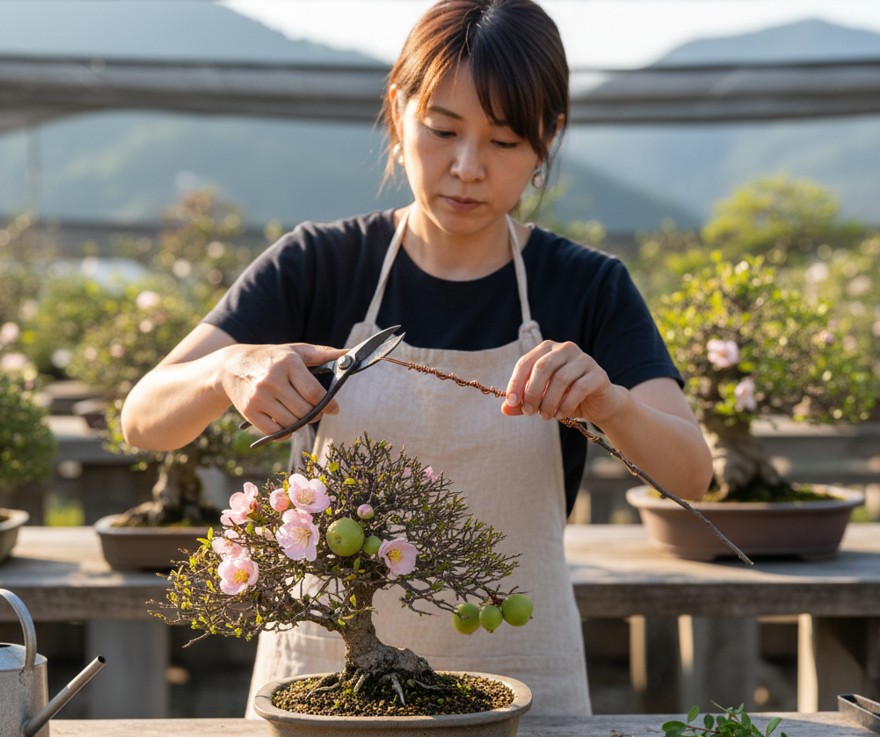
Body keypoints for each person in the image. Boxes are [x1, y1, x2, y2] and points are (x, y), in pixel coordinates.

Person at [121, 0, 713, 718]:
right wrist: (228, 367)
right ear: (397, 111)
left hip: (523, 682)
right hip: (326, 687)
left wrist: (613, 405)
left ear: (547, 139)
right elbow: (143, 418)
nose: (466, 168)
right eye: (442, 130)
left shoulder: (586, 285)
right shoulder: (317, 265)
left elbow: (692, 475)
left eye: (503, 142)